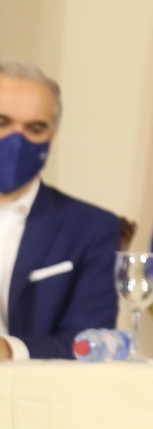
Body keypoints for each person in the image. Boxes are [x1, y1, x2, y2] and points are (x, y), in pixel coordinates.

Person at [0, 60, 120, 361]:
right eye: (2, 122)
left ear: (51, 139)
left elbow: (89, 341)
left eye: (35, 128)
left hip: (30, 385)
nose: (17, 139)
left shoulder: (90, 228)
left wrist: (9, 350)